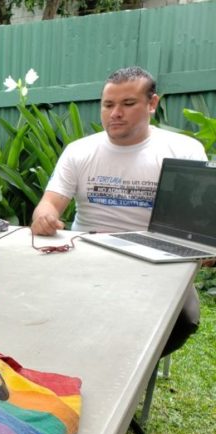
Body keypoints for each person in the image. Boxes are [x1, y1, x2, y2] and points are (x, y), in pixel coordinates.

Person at [30, 66, 207, 355]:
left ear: (152, 103)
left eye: (128, 103)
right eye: (108, 105)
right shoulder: (79, 151)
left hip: (157, 262)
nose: (115, 113)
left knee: (183, 320)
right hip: (88, 254)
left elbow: (196, 220)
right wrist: (44, 217)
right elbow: (48, 204)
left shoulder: (183, 150)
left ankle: (132, 365)